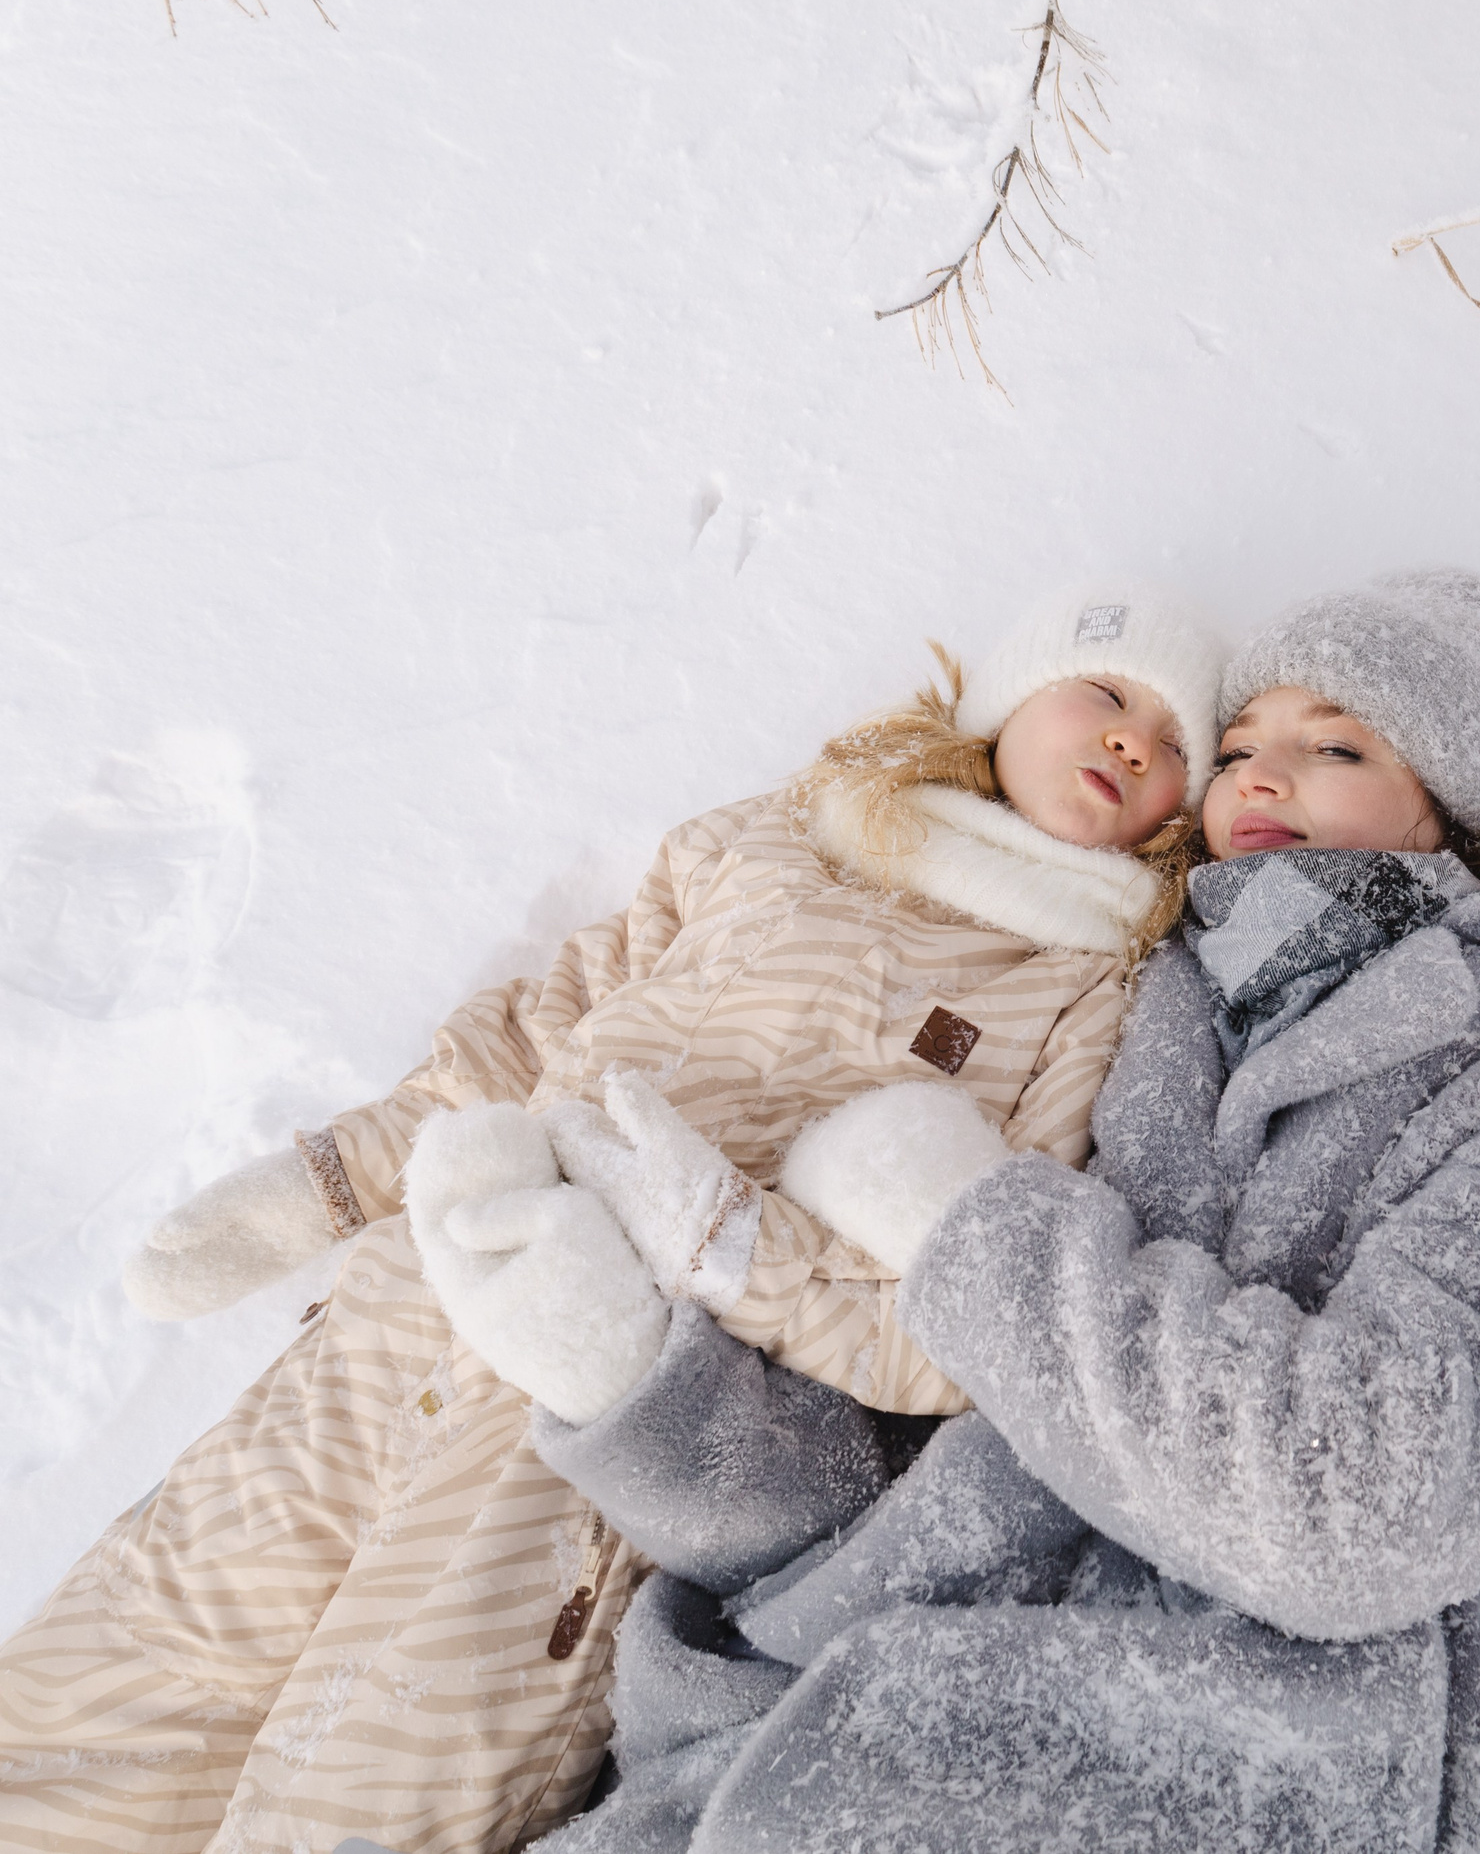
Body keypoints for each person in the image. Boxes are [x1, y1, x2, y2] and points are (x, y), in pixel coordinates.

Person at [428, 571, 1480, 1853]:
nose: (1261, 777)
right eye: (1238, 749)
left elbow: (1365, 1514)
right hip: (806, 1742)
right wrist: (645, 1393)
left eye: (1335, 747)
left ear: (1452, 813)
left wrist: (970, 1222)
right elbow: (947, 1482)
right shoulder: (1149, 1015)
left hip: (1272, 1765)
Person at [0, 590, 1229, 1854]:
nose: (1131, 740)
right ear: (1006, 700)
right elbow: (537, 1030)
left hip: (589, 1422)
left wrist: (720, 1240)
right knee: (119, 1680)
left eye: (1173, 745)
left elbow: (955, 1323)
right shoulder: (789, 831)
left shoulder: (1088, 988)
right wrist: (326, 1180)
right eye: (1104, 691)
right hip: (409, 1312)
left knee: (362, 1794)